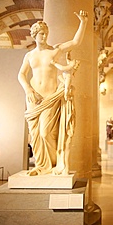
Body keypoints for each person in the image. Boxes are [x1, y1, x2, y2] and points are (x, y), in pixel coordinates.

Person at [18, 10, 88, 176]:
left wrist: (83, 22)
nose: (44, 36)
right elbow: (21, 74)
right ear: (34, 35)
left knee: (45, 132)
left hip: (50, 96)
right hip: (34, 98)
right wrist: (28, 89)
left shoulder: (55, 50)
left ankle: (53, 164)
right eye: (41, 33)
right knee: (35, 135)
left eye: (46, 33)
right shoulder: (29, 56)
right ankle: (41, 166)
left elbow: (76, 42)